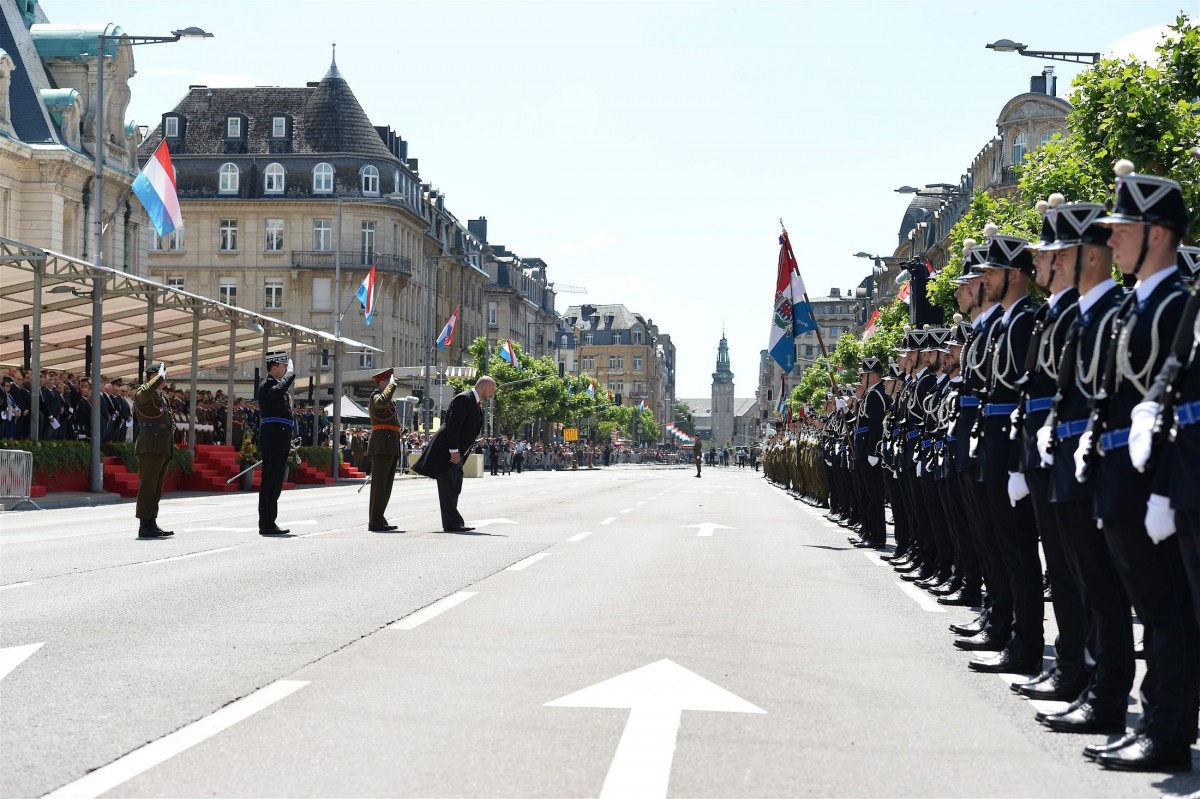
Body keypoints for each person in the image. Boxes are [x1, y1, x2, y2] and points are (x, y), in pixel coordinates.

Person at [413, 376, 496, 532]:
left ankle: (454, 522)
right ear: (482, 387)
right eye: (492, 390)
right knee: (448, 488)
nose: (492, 394)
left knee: (454, 487)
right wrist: (454, 450)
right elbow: (453, 426)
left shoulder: (474, 402)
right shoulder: (464, 399)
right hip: (448, 452)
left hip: (457, 453)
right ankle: (452, 523)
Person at [133, 363, 175, 539]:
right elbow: (145, 392)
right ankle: (144, 524)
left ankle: (151, 521)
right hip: (150, 445)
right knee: (147, 486)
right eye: (161, 375)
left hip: (162, 445)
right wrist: (158, 377)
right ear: (152, 376)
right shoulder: (143, 393)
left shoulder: (161, 397)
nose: (164, 378)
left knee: (156, 487)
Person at [257, 351, 296, 536]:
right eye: (284, 366)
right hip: (273, 441)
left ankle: (270, 522)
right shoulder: (267, 385)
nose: (286, 369)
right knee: (270, 484)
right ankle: (266, 524)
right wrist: (290, 375)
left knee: (276, 484)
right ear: (274, 368)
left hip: (280, 440)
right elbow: (278, 390)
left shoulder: (279, 388)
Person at [367, 368, 402, 532]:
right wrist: (391, 387)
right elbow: (381, 403)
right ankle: (375, 521)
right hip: (382, 445)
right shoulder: (376, 396)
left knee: (386, 486)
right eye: (388, 381)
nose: (392, 384)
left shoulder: (387, 399)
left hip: (389, 444)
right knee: (380, 486)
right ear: (382, 382)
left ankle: (379, 517)